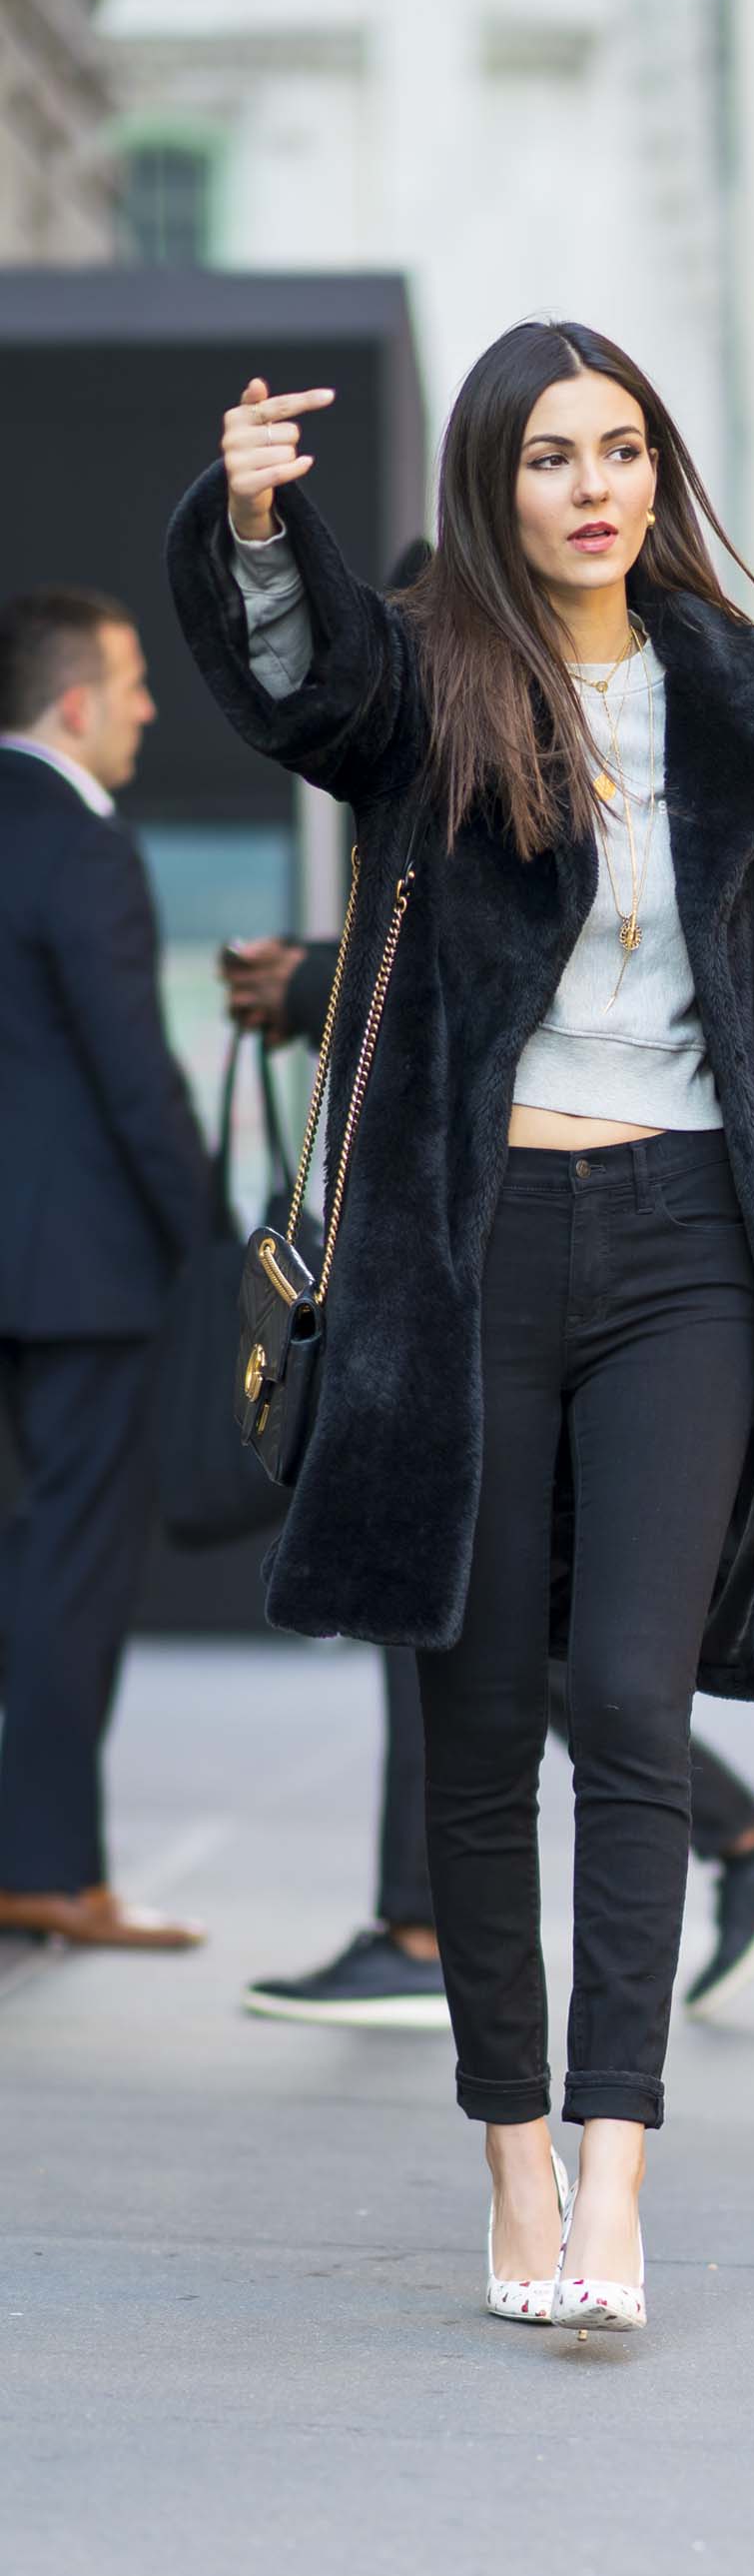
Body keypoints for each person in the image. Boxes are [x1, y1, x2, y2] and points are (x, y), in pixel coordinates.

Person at [167, 320, 754, 2334]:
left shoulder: (743, 698)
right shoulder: (435, 680)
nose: (594, 486)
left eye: (622, 448)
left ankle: (615, 2172)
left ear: (659, 473)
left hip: (689, 1247)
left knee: (633, 1710)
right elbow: (296, 686)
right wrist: (253, 524)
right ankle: (510, 2154)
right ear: (495, 486)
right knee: (483, 1722)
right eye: (552, 455)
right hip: (468, 1247)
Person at [219, 935, 754, 2031]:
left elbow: (545, 958)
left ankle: (448, 1924)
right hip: (488, 1225)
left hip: (634, 1227)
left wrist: (315, 977)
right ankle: (716, 1846)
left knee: (545, 1628)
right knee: (474, 1613)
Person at [0, 588, 212, 1950]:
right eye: (132, 684)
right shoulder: (83, 844)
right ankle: (45, 1869)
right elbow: (135, 1070)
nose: (145, 708)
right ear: (75, 704)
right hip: (78, 1274)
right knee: (72, 1561)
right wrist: (211, 1235)